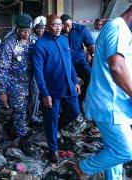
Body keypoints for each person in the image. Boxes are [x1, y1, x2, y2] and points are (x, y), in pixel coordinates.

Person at [72, 6, 132, 179]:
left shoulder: (122, 30)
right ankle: (83, 168)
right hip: (110, 103)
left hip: (116, 103)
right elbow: (117, 67)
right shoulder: (118, 28)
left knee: (113, 151)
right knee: (125, 151)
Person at [33, 15, 80, 163]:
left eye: (60, 24)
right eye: (55, 25)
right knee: (51, 119)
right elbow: (38, 72)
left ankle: (52, 132)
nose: (59, 27)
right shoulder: (40, 44)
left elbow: (69, 63)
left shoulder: (64, 40)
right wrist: (44, 93)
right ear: (47, 27)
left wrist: (75, 80)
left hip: (68, 86)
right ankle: (53, 149)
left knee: (74, 112)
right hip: (51, 91)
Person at [0, 14, 37, 153]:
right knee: (19, 111)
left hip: (30, 82)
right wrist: (2, 92)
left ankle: (13, 127)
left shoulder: (34, 40)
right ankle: (23, 139)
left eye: (28, 30)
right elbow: (2, 69)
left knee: (27, 109)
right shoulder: (9, 44)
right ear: (17, 28)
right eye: (23, 30)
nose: (26, 33)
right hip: (15, 84)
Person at [61, 14, 94, 112]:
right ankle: (66, 107)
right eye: (64, 26)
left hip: (79, 62)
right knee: (65, 85)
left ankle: (81, 101)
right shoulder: (57, 32)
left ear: (72, 23)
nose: (67, 29)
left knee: (91, 78)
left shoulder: (81, 29)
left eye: (69, 26)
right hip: (64, 65)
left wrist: (94, 56)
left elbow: (91, 46)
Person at [31, 15, 47, 123]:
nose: (41, 30)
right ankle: (33, 116)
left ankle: (38, 113)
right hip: (34, 71)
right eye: (39, 27)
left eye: (43, 27)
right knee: (35, 94)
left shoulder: (46, 38)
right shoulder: (31, 39)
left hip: (45, 71)